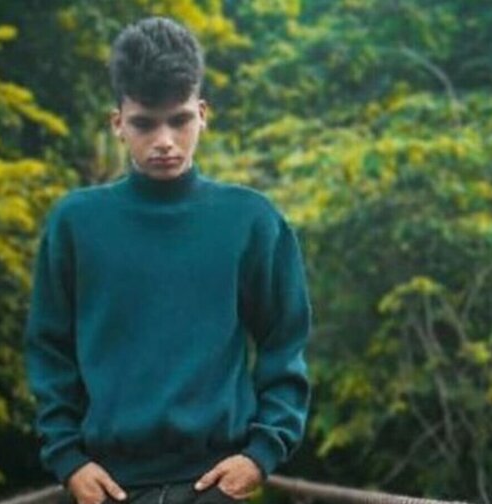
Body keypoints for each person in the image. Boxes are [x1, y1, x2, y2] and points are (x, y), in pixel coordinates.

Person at [23, 16, 312, 504]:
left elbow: (285, 342)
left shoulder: (251, 220)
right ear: (118, 123)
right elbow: (49, 349)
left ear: (202, 114)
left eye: (179, 120)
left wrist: (262, 452)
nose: (164, 140)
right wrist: (68, 460)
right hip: (106, 487)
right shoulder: (76, 223)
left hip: (216, 485)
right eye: (144, 122)